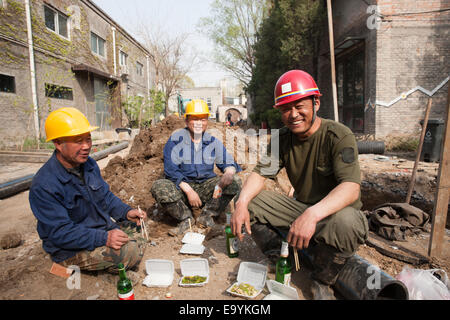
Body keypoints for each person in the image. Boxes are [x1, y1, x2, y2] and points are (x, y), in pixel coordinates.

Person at [231, 70, 369, 299]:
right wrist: (242, 203)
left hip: (333, 216)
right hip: (302, 209)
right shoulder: (282, 139)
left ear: (316, 102)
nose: (293, 114)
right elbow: (260, 174)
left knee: (347, 221)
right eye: (286, 109)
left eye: (299, 106)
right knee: (247, 200)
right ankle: (281, 256)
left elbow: (351, 188)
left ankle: (322, 279)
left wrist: (312, 215)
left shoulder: (338, 135)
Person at [29, 107, 147, 273]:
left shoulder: (88, 164)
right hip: (69, 248)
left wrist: (126, 212)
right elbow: (61, 233)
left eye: (88, 139)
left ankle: (112, 264)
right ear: (58, 144)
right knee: (130, 252)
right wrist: (104, 238)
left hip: (97, 229)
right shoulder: (44, 185)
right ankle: (69, 268)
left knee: (139, 227)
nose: (86, 146)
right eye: (78, 141)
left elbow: (105, 197)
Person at [151, 99, 242, 235]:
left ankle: (206, 217)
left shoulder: (212, 142)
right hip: (181, 189)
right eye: (194, 119)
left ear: (207, 121)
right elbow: (170, 170)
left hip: (207, 189)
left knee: (235, 181)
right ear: (187, 121)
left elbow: (228, 162)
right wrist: (188, 191)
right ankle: (186, 219)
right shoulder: (175, 140)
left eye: (202, 119)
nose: (199, 123)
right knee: (159, 186)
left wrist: (229, 172)